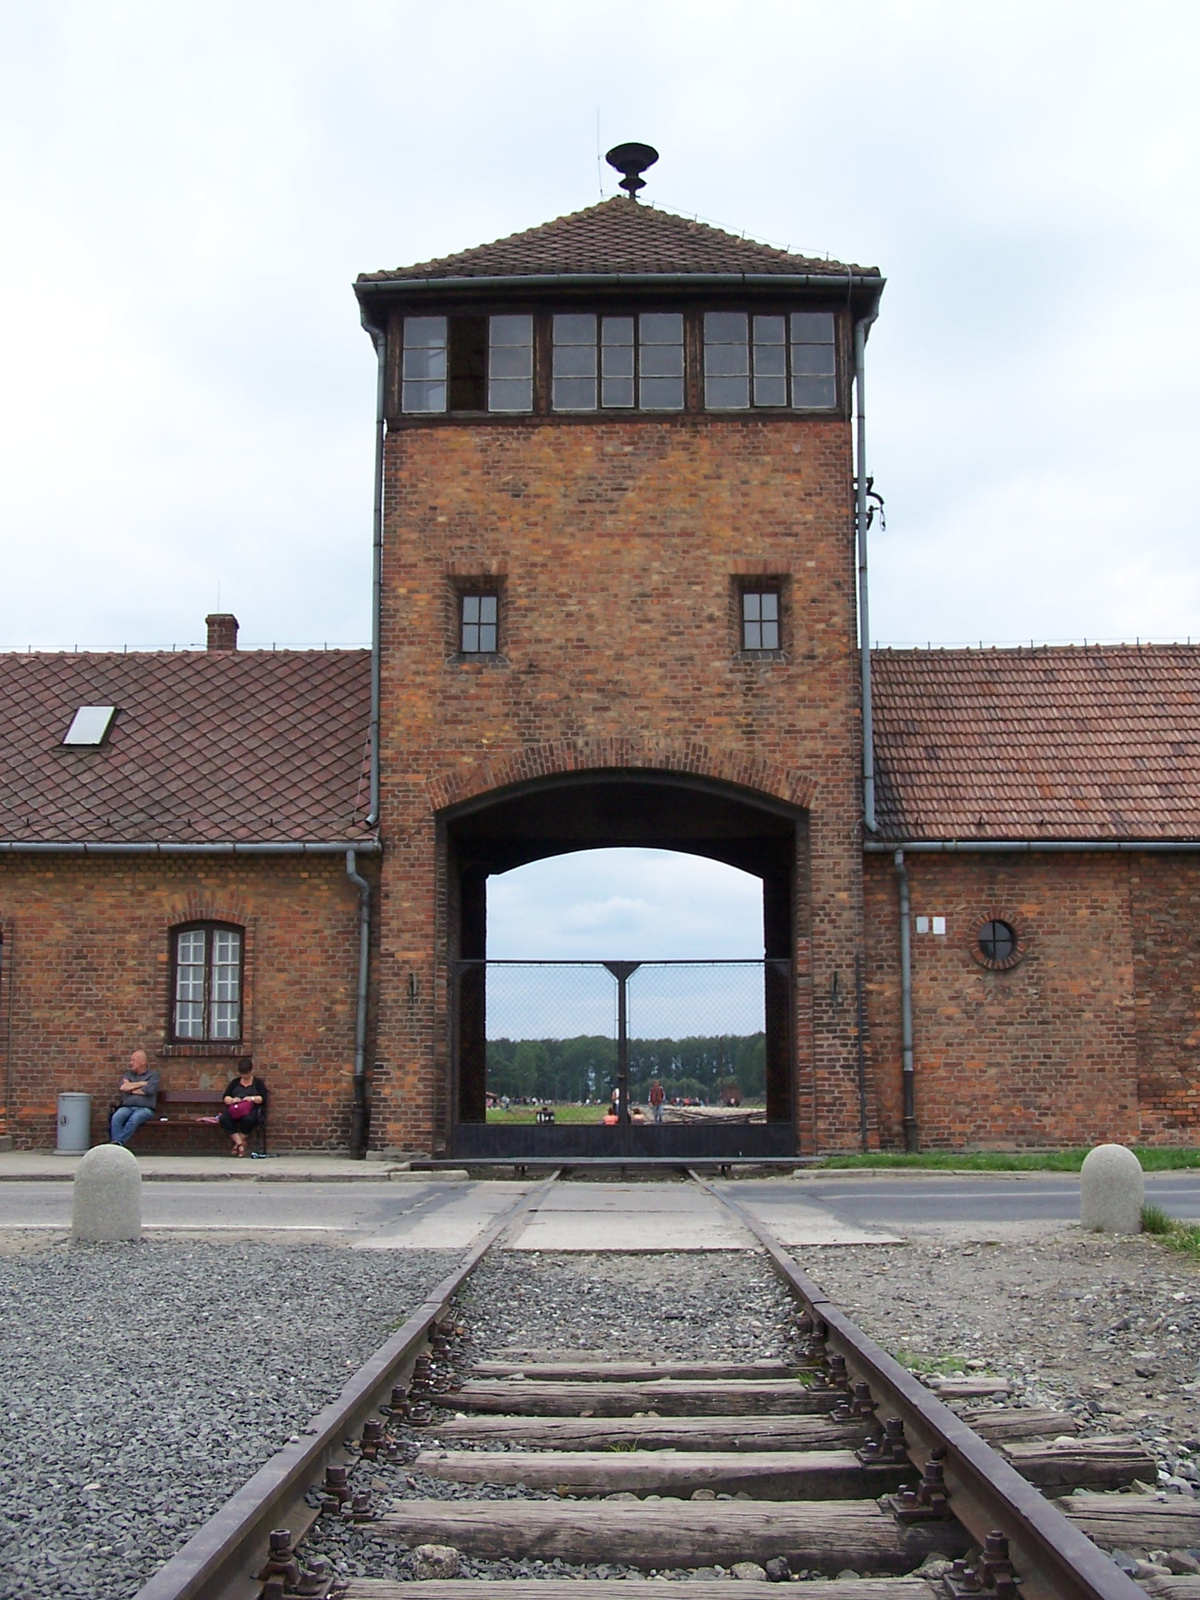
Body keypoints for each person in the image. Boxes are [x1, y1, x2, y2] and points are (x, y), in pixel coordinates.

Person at [110, 1049, 160, 1145]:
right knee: (116, 1117)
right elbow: (123, 1087)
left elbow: (149, 1090)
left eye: (133, 1060)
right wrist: (142, 1083)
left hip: (145, 1109)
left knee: (134, 1119)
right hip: (127, 1107)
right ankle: (116, 1145)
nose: (131, 1063)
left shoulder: (153, 1075)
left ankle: (118, 1143)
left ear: (143, 1062)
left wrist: (131, 1088)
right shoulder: (128, 1074)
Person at [219, 1057, 267, 1156]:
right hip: (236, 1108)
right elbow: (226, 1097)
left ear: (251, 1071)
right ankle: (240, 1144)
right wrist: (233, 1100)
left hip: (251, 1108)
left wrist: (251, 1098)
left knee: (249, 1119)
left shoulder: (257, 1083)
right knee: (224, 1118)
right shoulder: (235, 1082)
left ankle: (237, 1145)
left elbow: (262, 1098)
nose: (245, 1076)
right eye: (242, 1074)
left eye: (247, 1074)